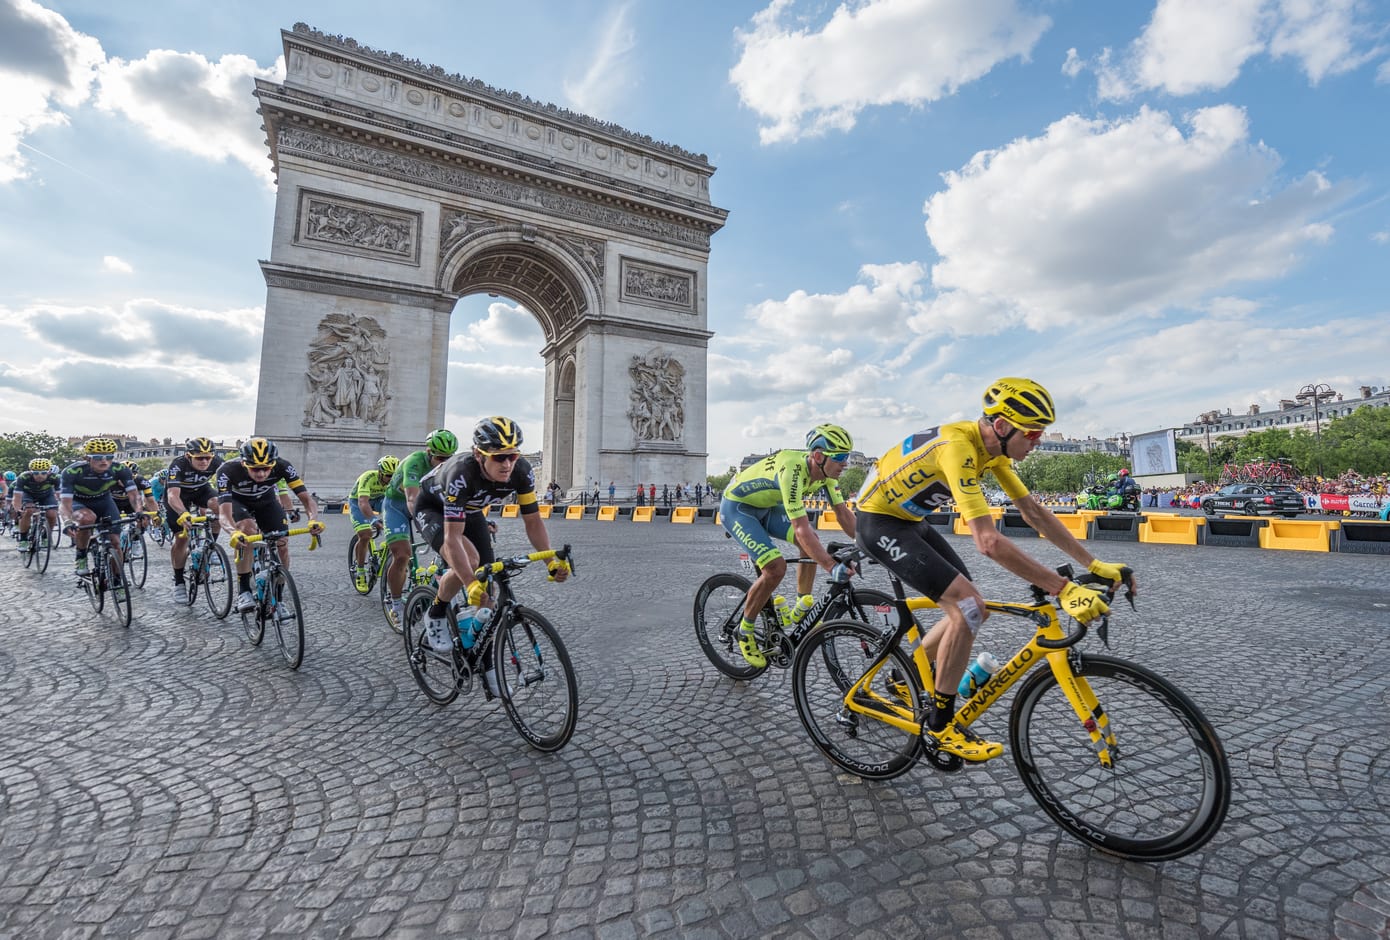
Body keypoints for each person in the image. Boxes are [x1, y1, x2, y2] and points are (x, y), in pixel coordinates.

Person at [855, 377, 1134, 763]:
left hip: (910, 521)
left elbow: (1034, 512)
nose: (1037, 441)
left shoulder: (995, 452)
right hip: (878, 522)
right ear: (1001, 427)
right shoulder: (958, 448)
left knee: (975, 609)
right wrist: (1062, 588)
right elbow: (987, 541)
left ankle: (900, 677)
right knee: (968, 606)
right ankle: (939, 725)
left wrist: (1095, 564)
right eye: (1033, 433)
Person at [414, 417, 569, 652]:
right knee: (471, 562)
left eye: (513, 456)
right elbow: (452, 538)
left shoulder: (522, 472)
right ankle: (436, 613)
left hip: (471, 510)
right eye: (499, 457)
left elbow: (533, 522)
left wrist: (550, 561)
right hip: (432, 508)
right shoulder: (461, 473)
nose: (507, 464)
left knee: (487, 587)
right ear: (479, 454)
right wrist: (469, 582)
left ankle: (479, 650)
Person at [720, 423, 859, 667]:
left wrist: (869, 543)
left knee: (811, 544)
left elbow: (842, 513)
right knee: (775, 568)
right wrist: (830, 566)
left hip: (767, 507)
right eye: (840, 457)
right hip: (738, 508)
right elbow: (801, 528)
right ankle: (745, 629)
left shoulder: (827, 474)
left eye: (846, 456)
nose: (845, 463)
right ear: (818, 456)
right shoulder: (792, 470)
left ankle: (802, 605)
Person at [217, 437, 322, 613]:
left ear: (273, 464)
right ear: (244, 464)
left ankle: (278, 598)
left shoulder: (283, 465)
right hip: (237, 502)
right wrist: (232, 532)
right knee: (247, 530)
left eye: (266, 469)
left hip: (266, 501)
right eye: (255, 469)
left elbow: (306, 499)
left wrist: (313, 519)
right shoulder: (227, 470)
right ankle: (244, 590)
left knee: (282, 543)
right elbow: (224, 514)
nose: (261, 474)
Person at [381, 429, 458, 627]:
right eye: (440, 458)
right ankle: (396, 603)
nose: (443, 463)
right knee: (402, 554)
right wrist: (426, 526)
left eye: (448, 459)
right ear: (429, 452)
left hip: (427, 503)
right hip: (397, 506)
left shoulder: (449, 467)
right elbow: (412, 498)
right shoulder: (414, 462)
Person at [59, 438, 139, 585]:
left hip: (104, 501)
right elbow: (65, 503)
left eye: (109, 457)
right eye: (98, 458)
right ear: (87, 458)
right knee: (88, 518)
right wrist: (68, 521)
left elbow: (133, 494)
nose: (104, 461)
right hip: (79, 502)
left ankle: (117, 579)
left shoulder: (119, 469)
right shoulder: (72, 471)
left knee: (115, 542)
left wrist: (140, 512)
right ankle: (81, 555)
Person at [166, 437, 224, 603]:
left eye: (208, 457)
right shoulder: (178, 465)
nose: (204, 461)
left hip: (201, 491)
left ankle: (210, 547)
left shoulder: (217, 462)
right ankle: (178, 582)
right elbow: (172, 495)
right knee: (182, 538)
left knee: (219, 508)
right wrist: (183, 513)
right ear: (188, 456)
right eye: (199, 458)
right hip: (178, 496)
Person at [348, 455, 399, 591]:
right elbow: (363, 502)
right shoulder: (368, 477)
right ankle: (360, 571)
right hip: (358, 502)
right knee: (366, 534)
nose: (391, 479)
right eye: (388, 476)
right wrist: (373, 520)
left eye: (394, 476)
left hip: (379, 500)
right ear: (380, 472)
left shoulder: (396, 480)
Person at [11, 458, 60, 551]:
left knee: (52, 514)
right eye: (36, 473)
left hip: (46, 495)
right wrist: (18, 510)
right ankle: (23, 539)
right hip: (28, 495)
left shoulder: (55, 478)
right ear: (31, 472)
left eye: (43, 473)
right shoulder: (23, 477)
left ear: (49, 472)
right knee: (28, 511)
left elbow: (60, 494)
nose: (40, 476)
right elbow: (17, 496)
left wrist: (62, 507)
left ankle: (46, 536)